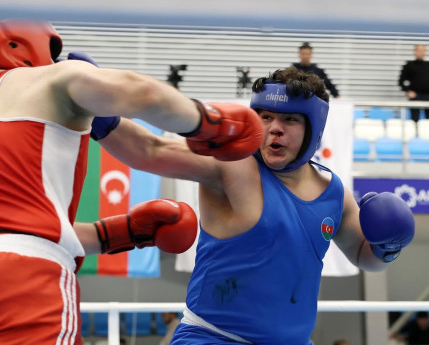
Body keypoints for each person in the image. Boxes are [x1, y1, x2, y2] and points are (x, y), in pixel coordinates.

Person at [0, 19, 263, 345]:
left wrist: (125, 232)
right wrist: (207, 121)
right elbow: (141, 92)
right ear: (22, 41)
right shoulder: (48, 78)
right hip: (11, 282)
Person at [94, 66, 415, 344]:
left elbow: (365, 256)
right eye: (265, 117)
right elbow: (151, 149)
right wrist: (93, 110)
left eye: (289, 119)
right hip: (213, 340)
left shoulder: (333, 191)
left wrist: (387, 247)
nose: (274, 127)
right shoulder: (231, 165)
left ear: (314, 130)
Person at [398, 44, 429, 123]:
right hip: (415, 96)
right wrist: (408, 91)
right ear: (415, 52)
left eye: (423, 50)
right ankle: (414, 135)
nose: (421, 52)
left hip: (428, 96)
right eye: (419, 50)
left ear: (425, 52)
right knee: (414, 119)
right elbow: (401, 81)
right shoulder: (409, 65)